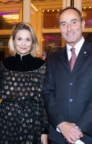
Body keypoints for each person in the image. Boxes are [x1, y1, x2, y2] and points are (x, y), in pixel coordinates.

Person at [0, 22, 49, 144]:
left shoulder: (40, 65)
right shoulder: (4, 63)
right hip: (6, 121)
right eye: (19, 39)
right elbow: (0, 91)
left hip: (32, 121)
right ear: (13, 40)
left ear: (33, 42)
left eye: (28, 39)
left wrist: (44, 130)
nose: (23, 43)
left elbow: (43, 100)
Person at [43, 6, 92, 144]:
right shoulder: (53, 58)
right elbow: (47, 92)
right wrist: (61, 124)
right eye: (63, 24)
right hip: (59, 136)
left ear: (82, 24)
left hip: (88, 135)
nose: (69, 28)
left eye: (73, 22)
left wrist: (78, 128)